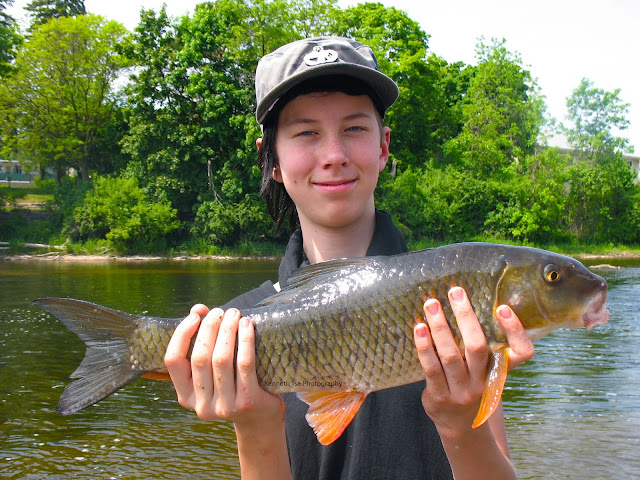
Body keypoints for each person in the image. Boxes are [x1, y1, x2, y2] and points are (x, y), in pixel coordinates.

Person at [164, 36, 535, 480]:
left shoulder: (454, 300)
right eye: (306, 133)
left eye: (355, 129)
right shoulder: (239, 331)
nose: (334, 156)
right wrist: (255, 425)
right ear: (273, 161)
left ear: (383, 146)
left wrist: (461, 425)